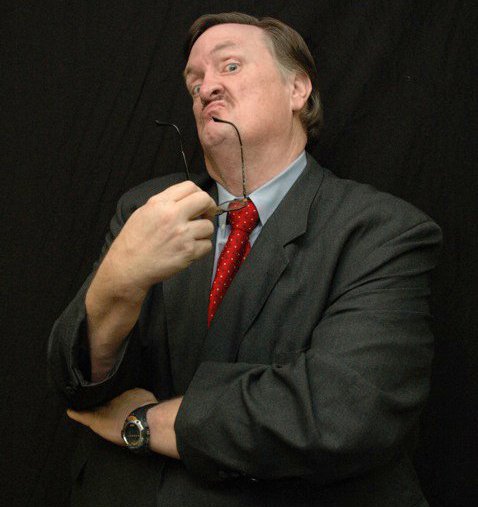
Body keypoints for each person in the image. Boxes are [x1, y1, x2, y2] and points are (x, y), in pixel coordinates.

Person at [48, 12, 442, 507]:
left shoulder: (384, 232)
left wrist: (143, 425)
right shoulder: (145, 211)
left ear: (297, 89)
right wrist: (118, 282)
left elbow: (339, 412)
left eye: (229, 66)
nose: (206, 88)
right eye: (194, 83)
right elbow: (78, 384)